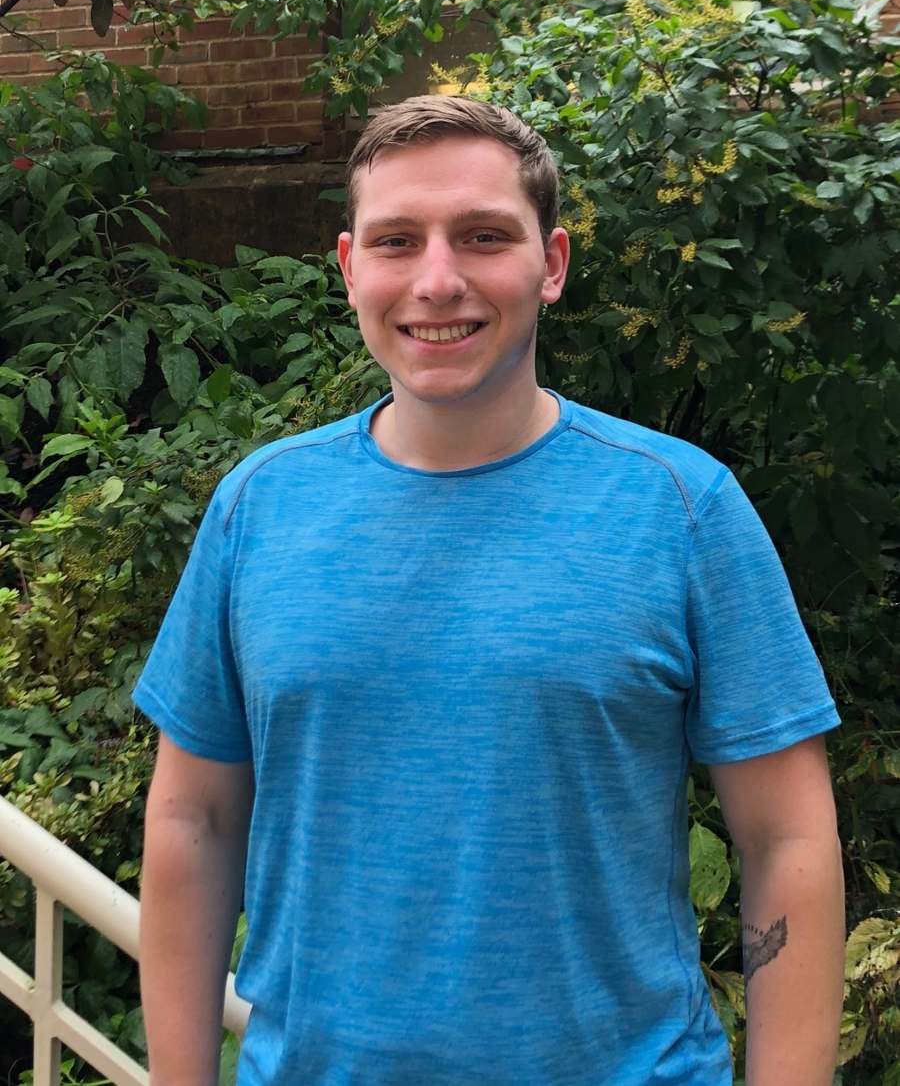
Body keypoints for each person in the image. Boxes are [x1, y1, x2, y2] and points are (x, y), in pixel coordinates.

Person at [136, 96, 845, 1086]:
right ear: (349, 269)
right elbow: (191, 825)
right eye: (396, 241)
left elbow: (788, 841)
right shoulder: (261, 507)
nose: (437, 280)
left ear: (550, 264)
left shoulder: (680, 508)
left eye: (482, 237)